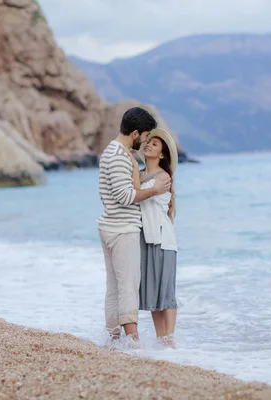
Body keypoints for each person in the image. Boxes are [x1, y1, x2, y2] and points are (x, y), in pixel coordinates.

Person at [97, 107, 171, 343]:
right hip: (121, 228)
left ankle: (114, 336)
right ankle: (133, 342)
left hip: (110, 225)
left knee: (115, 286)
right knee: (128, 285)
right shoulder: (118, 155)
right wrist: (155, 190)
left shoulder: (114, 151)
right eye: (145, 136)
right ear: (136, 133)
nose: (145, 142)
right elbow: (125, 196)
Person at [130, 128, 179, 348]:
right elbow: (134, 195)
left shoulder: (163, 177)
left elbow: (139, 195)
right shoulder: (139, 174)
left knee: (166, 293)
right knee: (153, 294)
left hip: (162, 239)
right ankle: (161, 341)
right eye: (148, 142)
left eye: (155, 144)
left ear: (161, 154)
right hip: (145, 239)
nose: (148, 145)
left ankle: (169, 342)